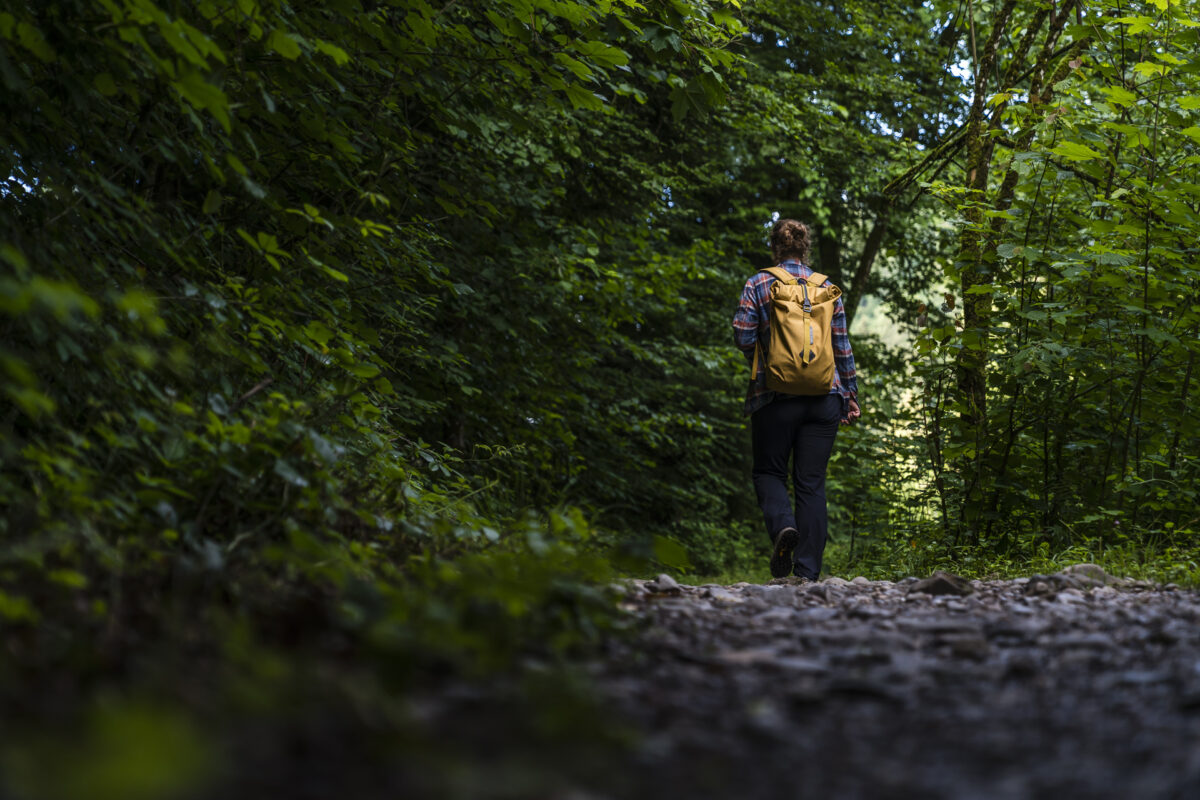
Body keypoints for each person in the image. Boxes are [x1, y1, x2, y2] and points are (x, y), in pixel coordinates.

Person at [732, 218, 860, 580]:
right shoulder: (827, 288)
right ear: (806, 249)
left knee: (769, 471)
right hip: (825, 396)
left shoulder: (758, 282)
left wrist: (768, 356)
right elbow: (841, 347)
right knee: (811, 482)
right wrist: (849, 395)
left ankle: (783, 528)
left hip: (774, 395)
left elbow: (742, 338)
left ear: (774, 246)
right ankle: (807, 573)